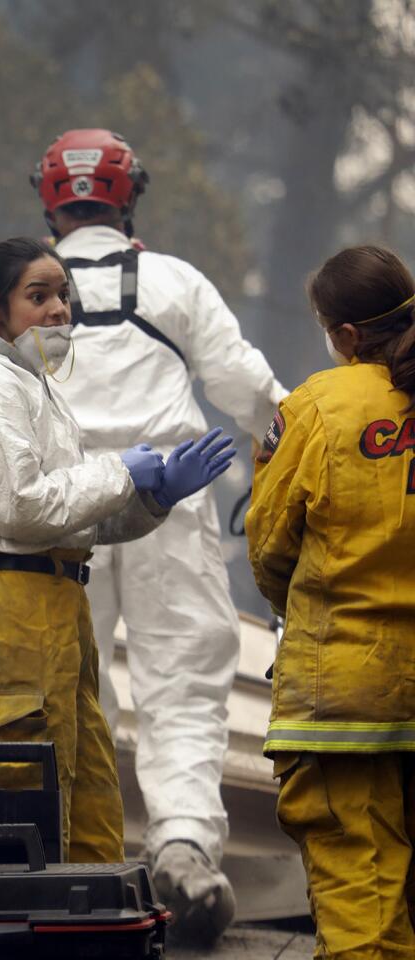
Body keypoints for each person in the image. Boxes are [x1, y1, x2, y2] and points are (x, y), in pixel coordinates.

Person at [0, 238, 235, 865]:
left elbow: (67, 520)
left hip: (45, 607)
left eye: (63, 295)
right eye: (39, 295)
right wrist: (120, 472)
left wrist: (151, 499)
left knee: (84, 805)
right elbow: (21, 508)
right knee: (12, 813)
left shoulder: (30, 387)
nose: (59, 310)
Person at [31, 128, 285, 938]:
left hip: (60, 509)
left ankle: (70, 856)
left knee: (66, 688)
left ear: (49, 201)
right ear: (130, 194)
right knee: (182, 682)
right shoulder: (174, 282)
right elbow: (246, 387)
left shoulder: (20, 287)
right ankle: (181, 846)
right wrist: (300, 437)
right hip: (170, 506)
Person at [249, 244, 415, 959]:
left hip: (346, 698)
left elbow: (269, 548)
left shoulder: (319, 408)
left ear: (345, 336)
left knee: (363, 898)